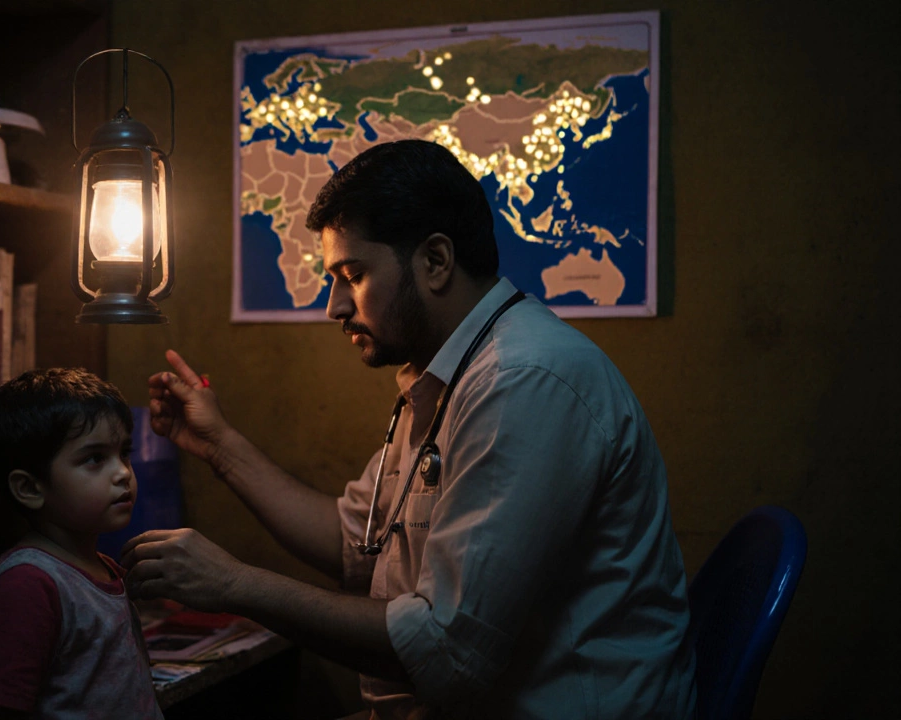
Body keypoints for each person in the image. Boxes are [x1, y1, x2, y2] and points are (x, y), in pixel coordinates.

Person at [121, 140, 697, 719]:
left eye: (353, 274)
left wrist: (233, 585)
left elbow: (448, 648)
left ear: (436, 261)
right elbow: (355, 546)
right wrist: (219, 446)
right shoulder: (446, 374)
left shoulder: (523, 381)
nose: (334, 307)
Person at [0, 368, 162, 720]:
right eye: (94, 458)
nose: (124, 472)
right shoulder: (26, 588)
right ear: (30, 489)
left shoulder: (103, 568)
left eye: (124, 453)